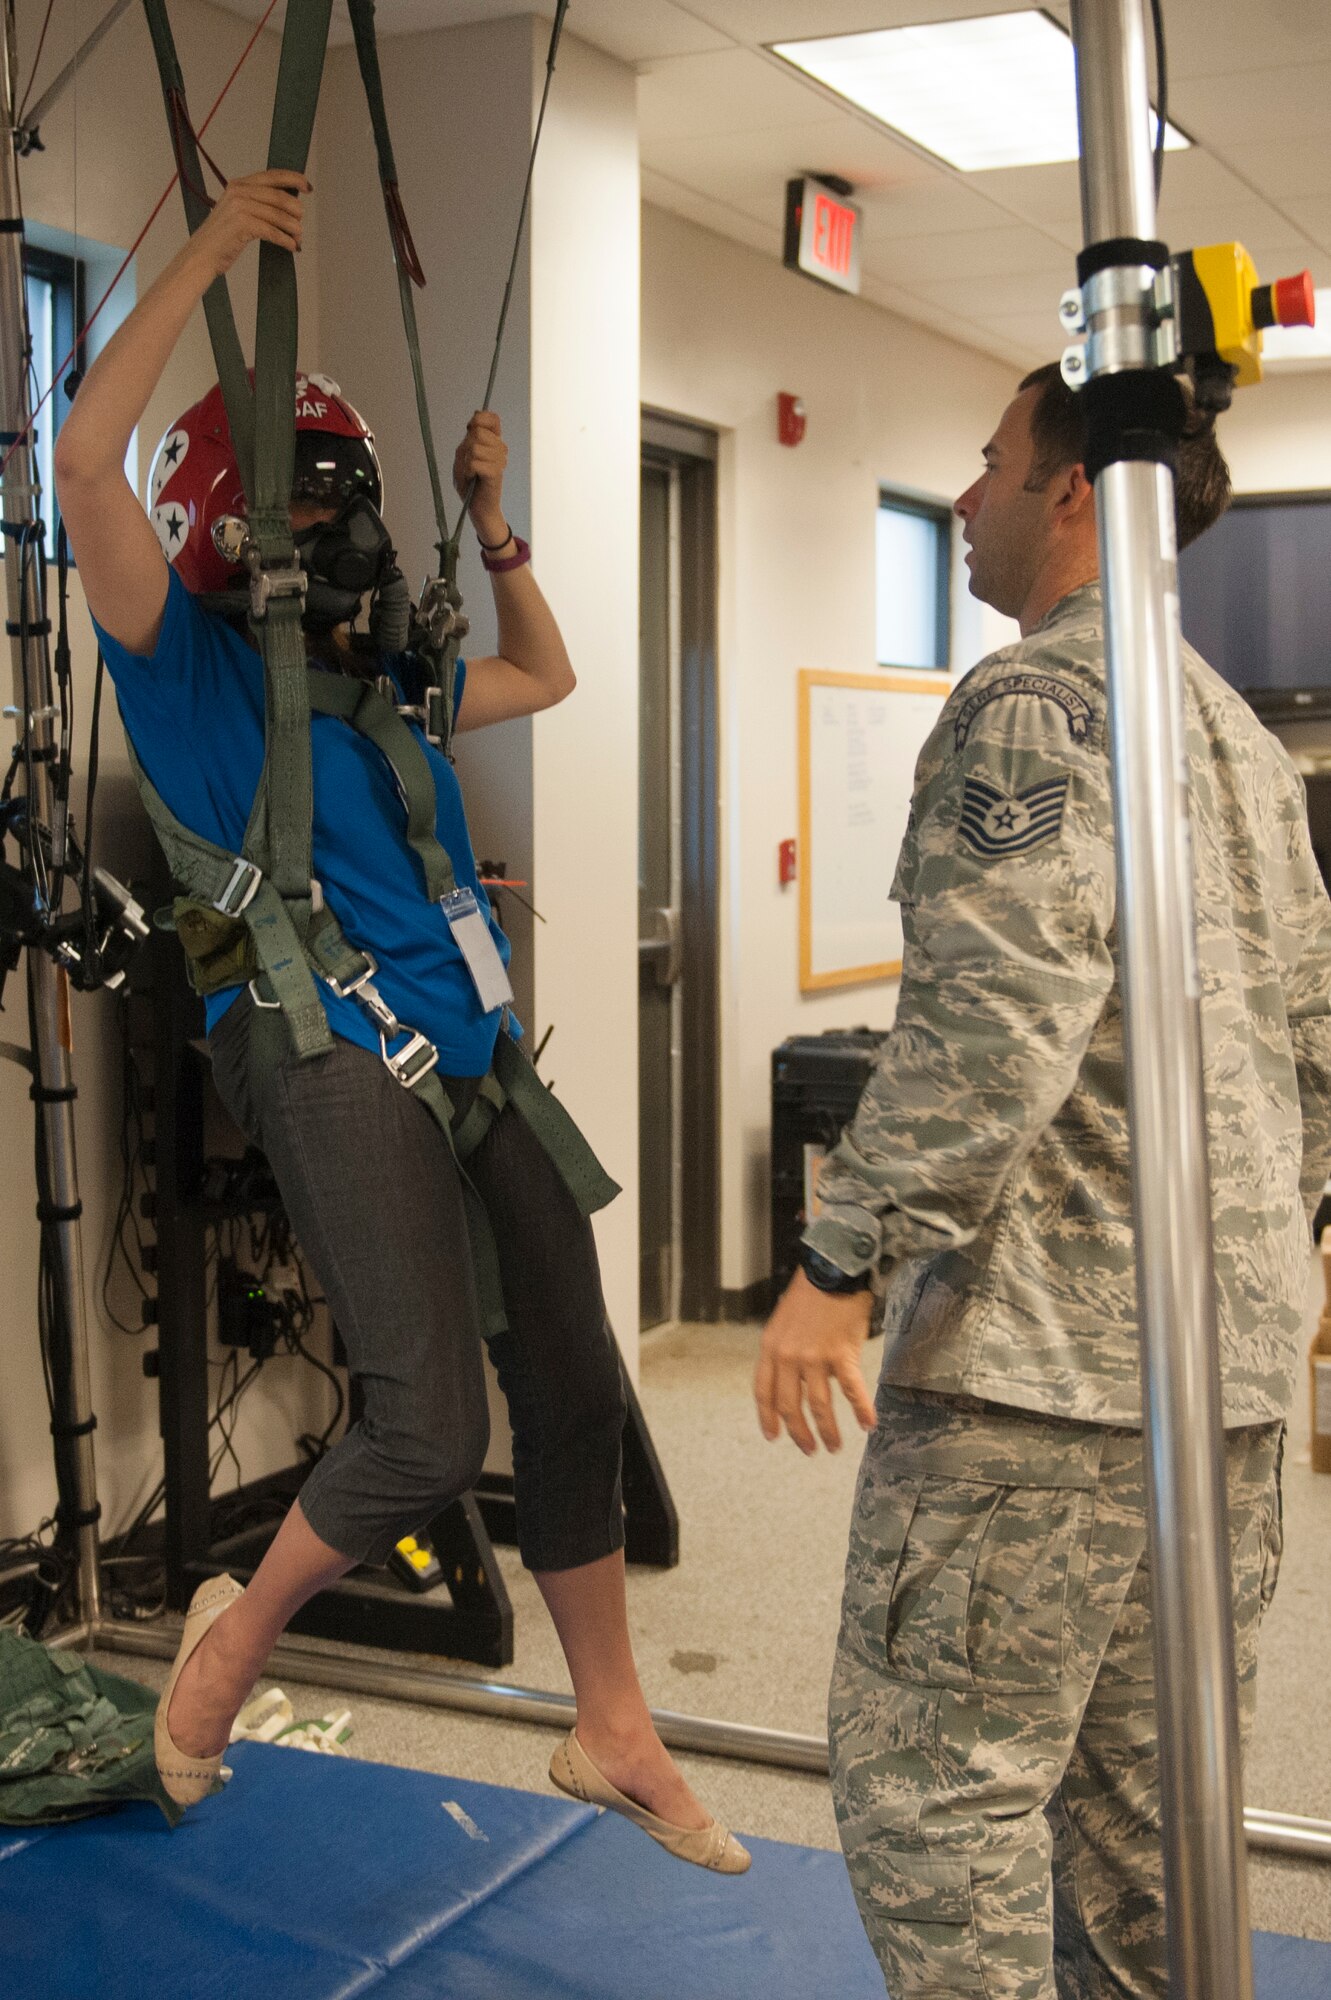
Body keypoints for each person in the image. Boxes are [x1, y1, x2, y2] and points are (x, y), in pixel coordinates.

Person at [56, 166, 748, 1874]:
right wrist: (216, 247)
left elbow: (551, 671)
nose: (358, 537)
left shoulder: (381, 690)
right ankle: (231, 1645)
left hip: (475, 1052)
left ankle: (614, 1727)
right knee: (427, 1425)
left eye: (363, 503)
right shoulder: (185, 668)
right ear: (246, 531)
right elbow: (80, 464)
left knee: (576, 1383)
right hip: (324, 1051)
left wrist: (490, 514)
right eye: (327, 505)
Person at [754, 362, 1331, 1993]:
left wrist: (840, 1259)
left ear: (1072, 488)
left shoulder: (1035, 708)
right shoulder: (1231, 734)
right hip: (1218, 1399)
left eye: (990, 459)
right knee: (1149, 1833)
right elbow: (1326, 1051)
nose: (965, 494)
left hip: (1039, 1389)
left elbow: (990, 1030)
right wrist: (1263, 1266)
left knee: (939, 1804)